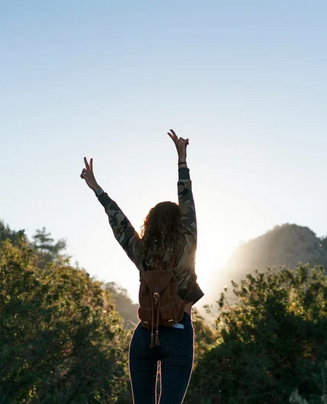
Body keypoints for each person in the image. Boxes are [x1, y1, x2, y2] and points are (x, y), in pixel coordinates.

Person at [80, 129, 204, 404]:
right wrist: (182, 161)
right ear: (178, 222)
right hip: (178, 333)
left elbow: (119, 222)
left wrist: (97, 189)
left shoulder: (142, 251)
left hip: (143, 336)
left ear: (151, 224)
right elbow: (188, 203)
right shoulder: (186, 243)